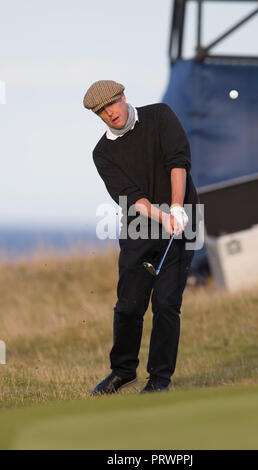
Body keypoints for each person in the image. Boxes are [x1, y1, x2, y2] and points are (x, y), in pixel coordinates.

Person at [83, 80, 200, 394]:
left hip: (182, 220)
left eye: (111, 105)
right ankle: (122, 372)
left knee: (166, 304)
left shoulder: (160, 116)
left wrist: (177, 208)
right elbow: (132, 197)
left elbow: (178, 162)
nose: (109, 114)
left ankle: (159, 379)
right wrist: (163, 216)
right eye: (101, 112)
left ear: (123, 97)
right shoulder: (103, 153)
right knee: (129, 306)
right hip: (141, 226)